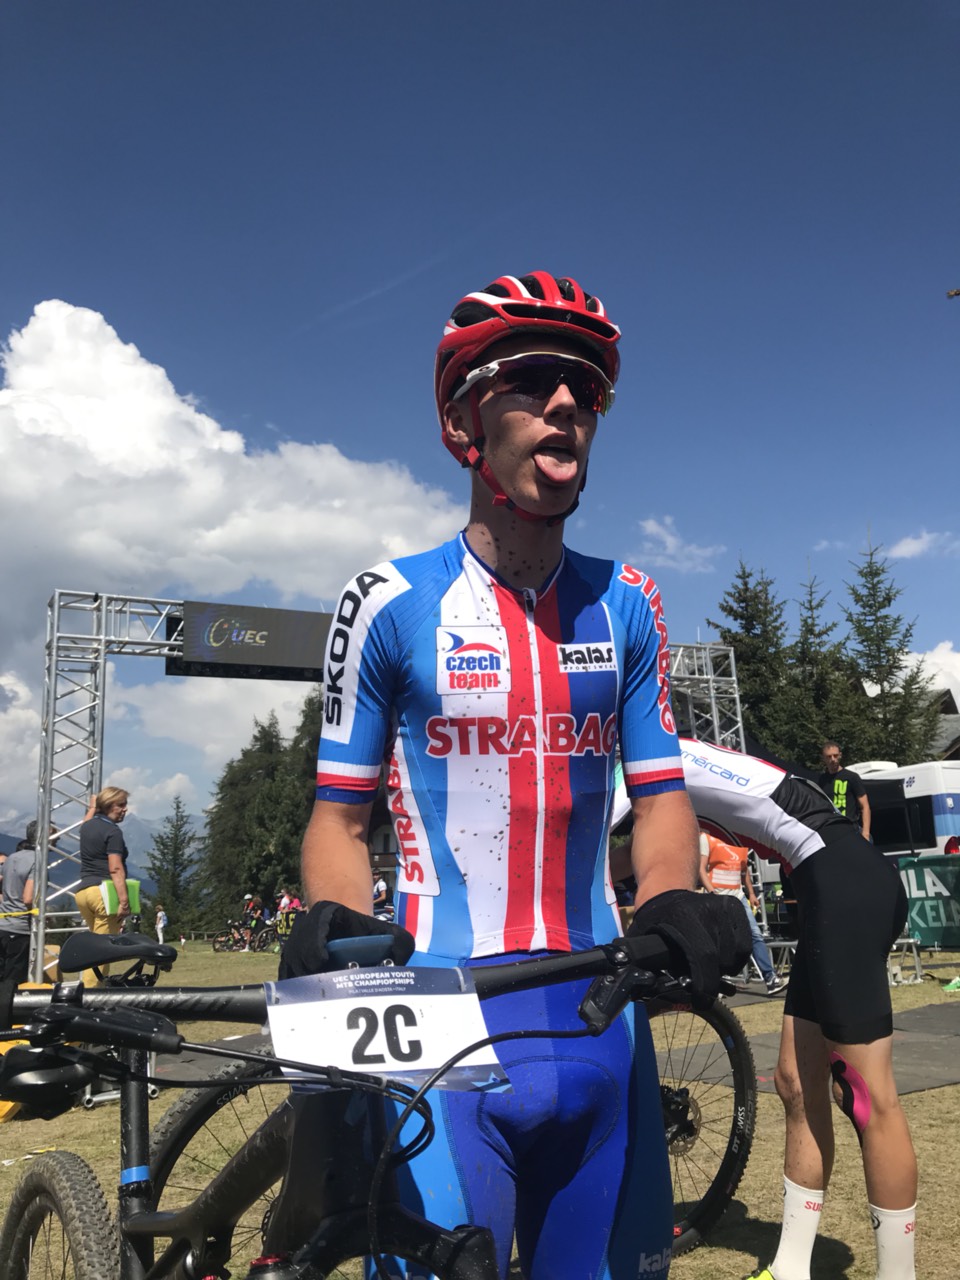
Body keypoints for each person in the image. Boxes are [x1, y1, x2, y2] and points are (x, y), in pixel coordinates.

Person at [287, 271, 748, 1280]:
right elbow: (339, 817)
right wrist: (337, 929)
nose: (568, 401)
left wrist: (670, 899)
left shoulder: (628, 602)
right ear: (464, 421)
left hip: (601, 1014)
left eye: (588, 387)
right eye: (533, 378)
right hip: (437, 1022)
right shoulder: (386, 601)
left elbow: (660, 796)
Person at [675, 738, 916, 1280]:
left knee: (865, 1096)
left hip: (842, 881)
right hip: (834, 880)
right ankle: (790, 1267)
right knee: (796, 1083)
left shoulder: (632, 756)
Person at [698, 830, 786, 996]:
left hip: (739, 897)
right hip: (717, 897)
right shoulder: (708, 839)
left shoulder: (739, 841)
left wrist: (751, 893)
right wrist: (711, 893)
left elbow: (744, 871)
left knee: (755, 935)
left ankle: (770, 978)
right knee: (719, 940)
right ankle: (717, 982)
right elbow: (701, 869)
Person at [75, 787, 131, 986]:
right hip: (103, 894)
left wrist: (92, 807)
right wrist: (124, 901)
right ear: (108, 805)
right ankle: (91, 994)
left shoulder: (87, 827)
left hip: (83, 893)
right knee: (102, 951)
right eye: (121, 805)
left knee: (97, 944)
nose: (125, 809)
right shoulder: (113, 831)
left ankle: (97, 988)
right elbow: (115, 868)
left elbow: (85, 823)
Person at [0, 822, 38, 984]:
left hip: (3, 924)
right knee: (12, 982)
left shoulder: (11, 859)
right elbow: (28, 898)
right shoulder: (37, 861)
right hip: (20, 928)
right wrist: (38, 913)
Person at [818, 740, 871, 838]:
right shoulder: (821, 780)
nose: (833, 759)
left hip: (851, 829)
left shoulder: (852, 777)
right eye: (829, 756)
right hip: (831, 831)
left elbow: (865, 806)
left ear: (840, 755)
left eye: (835, 755)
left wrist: (866, 833)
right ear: (823, 758)